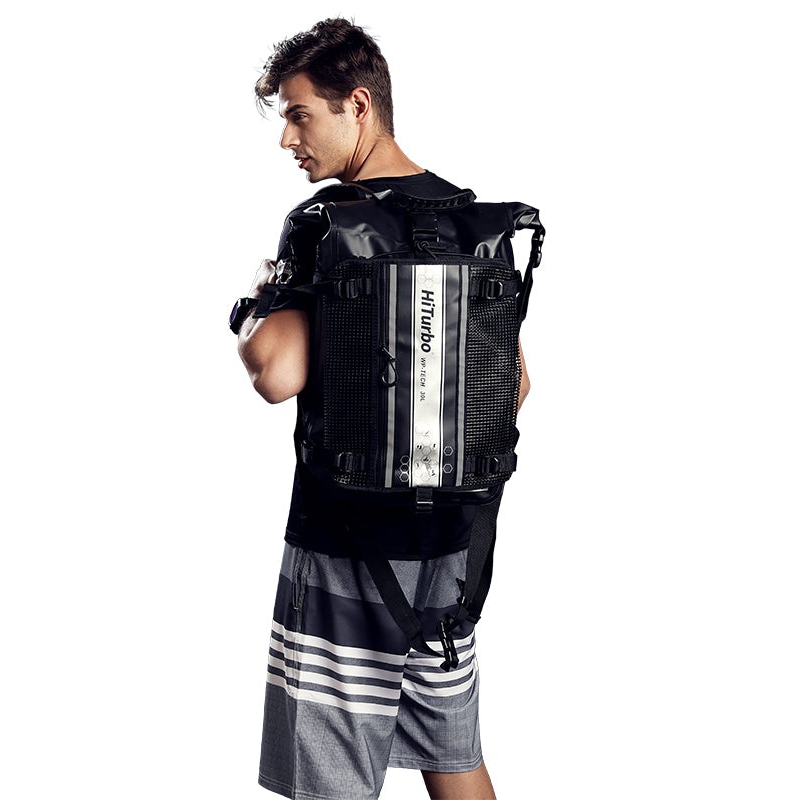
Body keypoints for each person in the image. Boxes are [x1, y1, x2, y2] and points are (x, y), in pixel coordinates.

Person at [234, 18, 530, 800]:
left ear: (358, 105)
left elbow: (276, 373)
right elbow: (517, 387)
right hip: (450, 555)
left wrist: (261, 298)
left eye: (301, 115)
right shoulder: (472, 224)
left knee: (328, 781)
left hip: (343, 548)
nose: (288, 139)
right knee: (453, 758)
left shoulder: (327, 225)